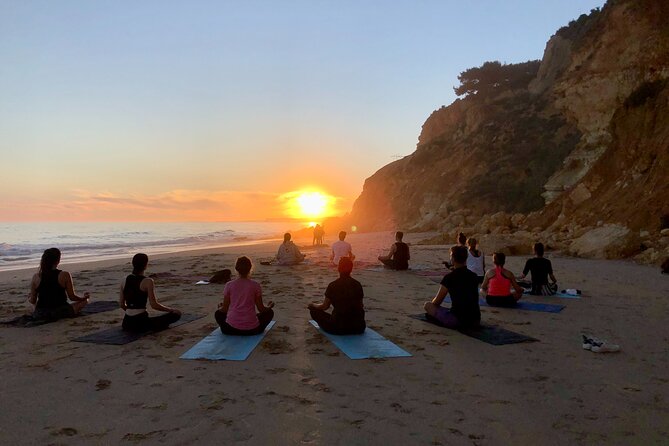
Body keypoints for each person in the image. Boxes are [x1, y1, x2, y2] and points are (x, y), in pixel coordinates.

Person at [119, 253, 182, 332]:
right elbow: (154, 305)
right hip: (141, 323)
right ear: (145, 265)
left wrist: (131, 312)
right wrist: (171, 310)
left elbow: (121, 304)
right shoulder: (148, 281)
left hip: (126, 323)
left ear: (133, 264)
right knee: (177, 314)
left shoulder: (124, 279)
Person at [215, 256, 274, 335]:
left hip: (230, 329)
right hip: (252, 330)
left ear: (236, 269)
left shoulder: (229, 285)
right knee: (270, 313)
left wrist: (219, 307)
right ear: (250, 269)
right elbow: (261, 309)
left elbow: (224, 310)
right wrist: (269, 307)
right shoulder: (255, 285)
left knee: (218, 314)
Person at [424, 245, 480, 329]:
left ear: (453, 259)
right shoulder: (474, 276)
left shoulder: (449, 278)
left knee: (427, 305)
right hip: (475, 319)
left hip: (458, 320)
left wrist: (433, 304)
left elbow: (437, 301)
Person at [28, 248, 90, 321]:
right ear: (58, 260)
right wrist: (83, 298)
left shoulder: (36, 277)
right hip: (61, 312)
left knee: (33, 306)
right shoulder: (64, 275)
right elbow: (72, 297)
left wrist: (29, 298)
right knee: (85, 301)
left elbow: (33, 301)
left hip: (41, 314)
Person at [308, 257, 365, 334]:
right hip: (358, 327)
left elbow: (325, 307)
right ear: (351, 269)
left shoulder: (333, 285)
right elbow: (361, 305)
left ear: (339, 269)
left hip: (338, 327)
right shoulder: (357, 284)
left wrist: (313, 305)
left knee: (313, 311)